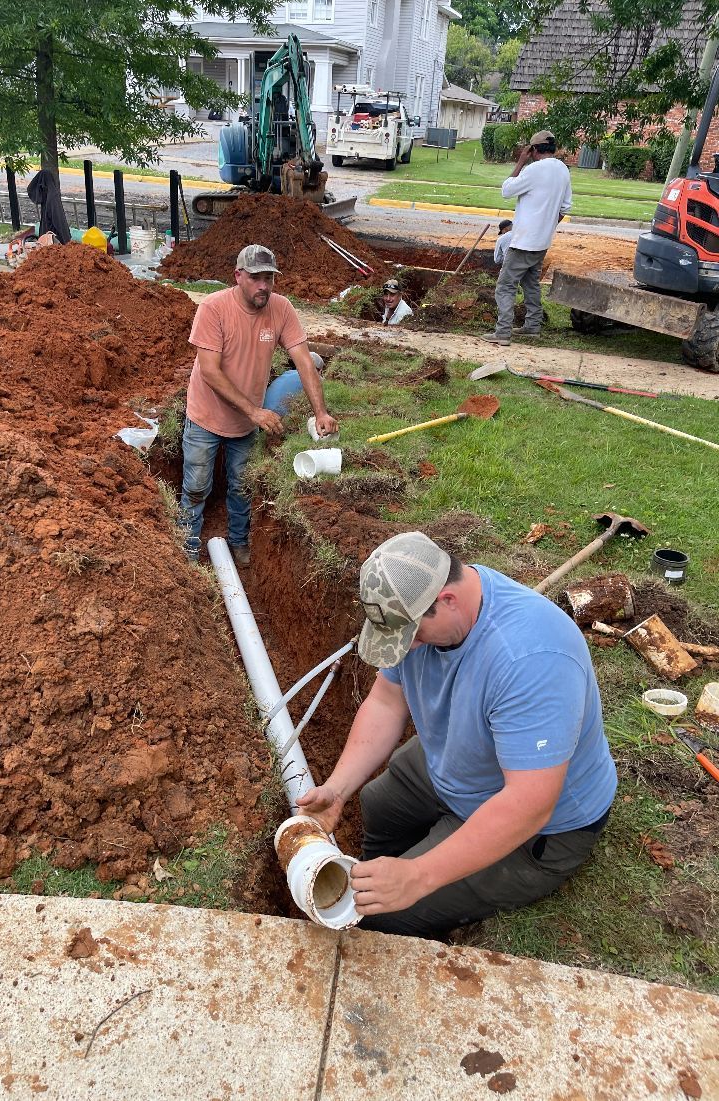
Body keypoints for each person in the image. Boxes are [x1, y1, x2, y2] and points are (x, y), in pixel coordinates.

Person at [297, 531, 617, 940]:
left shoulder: (533, 659)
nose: (408, 648)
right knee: (377, 804)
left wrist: (418, 876)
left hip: (541, 827)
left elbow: (530, 803)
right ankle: (377, 871)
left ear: (447, 599)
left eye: (412, 636)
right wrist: (338, 789)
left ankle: (394, 894)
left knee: (386, 918)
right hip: (461, 756)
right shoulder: (417, 609)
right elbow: (386, 703)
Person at [180, 244, 338, 567]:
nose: (263, 285)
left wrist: (320, 411)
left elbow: (305, 362)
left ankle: (238, 542)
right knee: (196, 486)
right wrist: (254, 411)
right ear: (238, 276)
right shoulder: (213, 308)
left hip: (245, 425)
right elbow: (209, 371)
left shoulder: (281, 309)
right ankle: (187, 550)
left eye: (269, 278)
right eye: (255, 278)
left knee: (241, 485)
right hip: (205, 416)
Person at [483, 130, 572, 347]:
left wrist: (520, 162)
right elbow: (565, 208)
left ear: (533, 150)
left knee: (505, 286)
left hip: (523, 242)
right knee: (531, 283)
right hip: (541, 242)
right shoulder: (562, 170)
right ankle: (532, 326)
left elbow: (506, 190)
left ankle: (503, 332)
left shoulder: (533, 170)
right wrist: (546, 227)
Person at [263, 352, 325, 417]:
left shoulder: (289, 372)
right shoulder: (312, 378)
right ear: (319, 370)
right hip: (277, 416)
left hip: (263, 411)